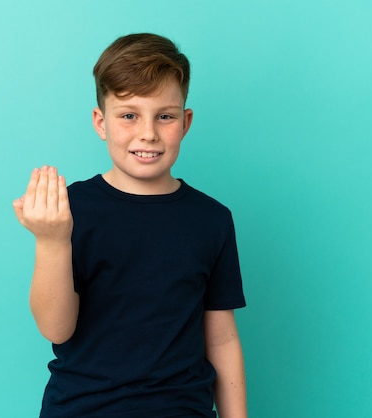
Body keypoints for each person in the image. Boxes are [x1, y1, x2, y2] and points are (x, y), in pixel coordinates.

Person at [13, 33, 247, 418]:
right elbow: (57, 330)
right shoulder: (71, 209)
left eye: (165, 116)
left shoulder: (212, 219)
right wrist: (52, 241)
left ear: (185, 122)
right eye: (129, 115)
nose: (148, 133)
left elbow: (221, 339)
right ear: (100, 122)